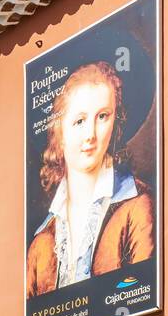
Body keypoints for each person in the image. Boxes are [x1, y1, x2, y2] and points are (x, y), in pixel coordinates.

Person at [26, 60, 154, 296]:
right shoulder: (41, 241)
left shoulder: (138, 206)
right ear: (60, 132)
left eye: (103, 116)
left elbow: (139, 287)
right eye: (79, 121)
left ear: (116, 122)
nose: (90, 135)